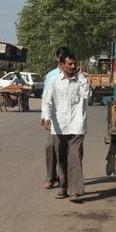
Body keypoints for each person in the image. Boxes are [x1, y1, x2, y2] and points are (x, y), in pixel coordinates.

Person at [42, 50, 91, 203]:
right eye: (70, 64)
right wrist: (47, 117)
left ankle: (75, 191)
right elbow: (47, 101)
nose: (73, 66)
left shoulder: (81, 80)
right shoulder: (54, 81)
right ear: (62, 65)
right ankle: (63, 187)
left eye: (74, 63)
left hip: (77, 125)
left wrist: (82, 77)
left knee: (75, 157)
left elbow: (88, 96)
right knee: (61, 159)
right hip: (59, 126)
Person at [40, 46, 70, 189]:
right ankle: (50, 177)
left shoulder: (73, 74)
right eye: (60, 56)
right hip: (54, 118)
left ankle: (63, 177)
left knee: (66, 149)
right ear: (57, 58)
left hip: (69, 119)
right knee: (51, 147)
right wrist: (44, 116)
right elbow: (46, 98)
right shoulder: (51, 75)